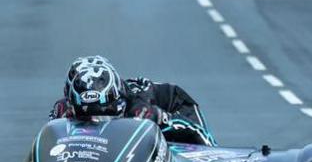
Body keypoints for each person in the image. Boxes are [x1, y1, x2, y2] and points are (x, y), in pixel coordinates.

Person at [48, 56, 214, 144]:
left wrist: (160, 118)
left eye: (105, 112)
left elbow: (197, 132)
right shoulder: (61, 111)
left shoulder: (139, 107)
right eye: (87, 114)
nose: (97, 120)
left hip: (176, 110)